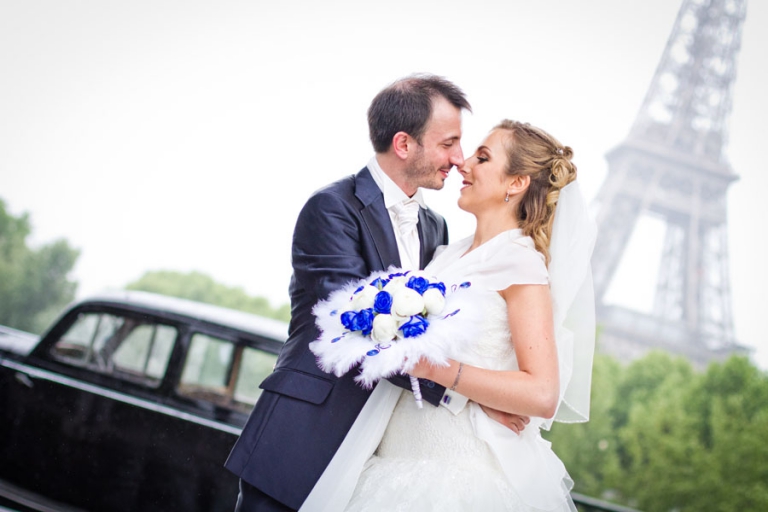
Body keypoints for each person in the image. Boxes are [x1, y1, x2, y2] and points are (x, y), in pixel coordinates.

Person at [302, 119, 597, 511]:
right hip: (392, 463)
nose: (464, 163)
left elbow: (542, 394)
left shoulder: (520, 265)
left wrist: (442, 373)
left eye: (483, 157)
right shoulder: (446, 255)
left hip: (457, 476)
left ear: (516, 183)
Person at [225, 73, 479, 511]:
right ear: (404, 144)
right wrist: (466, 393)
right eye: (448, 143)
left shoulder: (436, 227)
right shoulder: (331, 209)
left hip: (381, 456)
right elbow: (358, 328)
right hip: (305, 436)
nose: (459, 158)